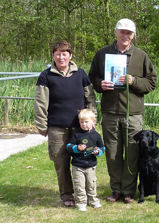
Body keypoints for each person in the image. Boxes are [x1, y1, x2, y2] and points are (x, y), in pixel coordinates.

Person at [88, 18, 157, 204]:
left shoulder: (141, 56)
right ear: (116, 32)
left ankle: (128, 191)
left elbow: (152, 82)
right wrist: (99, 84)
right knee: (112, 153)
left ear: (133, 35)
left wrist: (134, 81)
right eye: (122, 31)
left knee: (133, 153)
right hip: (110, 112)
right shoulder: (102, 54)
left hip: (133, 114)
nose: (125, 35)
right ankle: (115, 189)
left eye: (129, 33)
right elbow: (91, 77)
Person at [34, 41, 97, 207]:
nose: (61, 57)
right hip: (57, 128)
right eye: (57, 53)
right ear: (53, 55)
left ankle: (85, 194)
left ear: (70, 55)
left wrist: (92, 119)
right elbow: (40, 103)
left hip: (80, 128)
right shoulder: (45, 76)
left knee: (83, 160)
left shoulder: (81, 74)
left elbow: (90, 98)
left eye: (64, 53)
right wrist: (42, 125)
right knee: (61, 164)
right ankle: (67, 195)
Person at [66, 109, 106, 211]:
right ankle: (81, 202)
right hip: (78, 165)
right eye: (81, 122)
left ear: (93, 122)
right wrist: (77, 148)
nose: (84, 124)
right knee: (79, 185)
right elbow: (69, 146)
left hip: (91, 165)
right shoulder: (76, 134)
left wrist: (98, 152)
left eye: (86, 122)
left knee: (91, 184)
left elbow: (102, 147)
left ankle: (93, 200)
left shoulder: (96, 135)